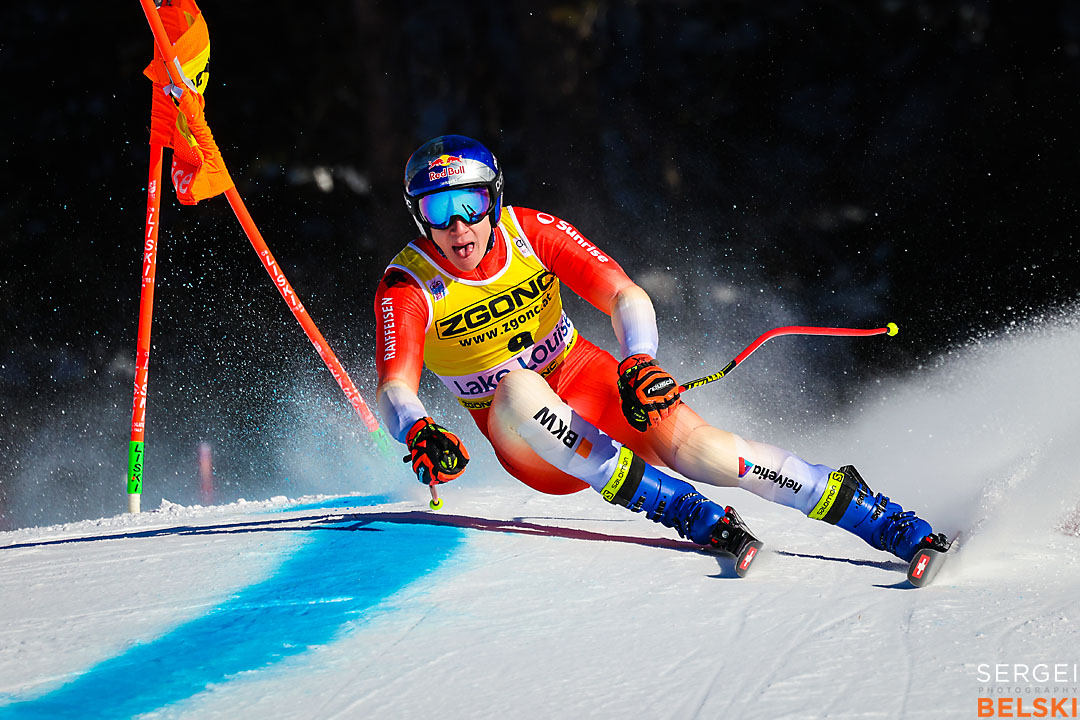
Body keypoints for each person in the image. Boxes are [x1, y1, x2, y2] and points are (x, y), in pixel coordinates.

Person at [374, 134, 948, 563]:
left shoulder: (532, 232)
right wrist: (418, 430)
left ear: (494, 199)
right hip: (527, 437)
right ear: (418, 218)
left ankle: (874, 517)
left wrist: (639, 360)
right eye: (437, 212)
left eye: (470, 204)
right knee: (519, 386)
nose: (459, 228)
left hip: (587, 378)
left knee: (709, 452)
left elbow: (626, 294)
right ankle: (684, 510)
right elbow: (396, 388)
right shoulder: (408, 283)